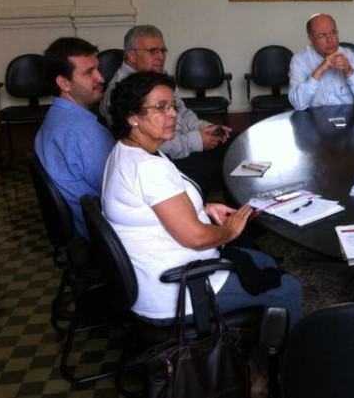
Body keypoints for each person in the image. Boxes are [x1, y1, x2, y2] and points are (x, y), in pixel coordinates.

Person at [101, 71, 302, 328]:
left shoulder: (128, 151)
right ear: (132, 117)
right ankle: (271, 364)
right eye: (160, 107)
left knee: (263, 261)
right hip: (178, 291)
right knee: (289, 289)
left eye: (172, 105)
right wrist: (228, 232)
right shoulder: (147, 168)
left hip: (160, 276)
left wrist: (204, 208)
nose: (173, 114)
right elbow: (195, 237)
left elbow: (156, 207)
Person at [100, 25, 230, 196]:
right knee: (227, 168)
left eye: (163, 50)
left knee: (234, 142)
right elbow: (150, 147)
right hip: (167, 156)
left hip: (183, 143)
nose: (160, 56)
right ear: (131, 55)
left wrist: (205, 128)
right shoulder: (122, 92)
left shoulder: (157, 77)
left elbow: (182, 112)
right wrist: (197, 140)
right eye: (153, 51)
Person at [35, 38, 115, 239]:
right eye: (89, 73)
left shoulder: (54, 118)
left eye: (97, 69)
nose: (101, 78)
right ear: (64, 83)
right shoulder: (83, 132)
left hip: (86, 229)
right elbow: (119, 193)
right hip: (105, 234)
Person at [288, 13, 354, 110]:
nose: (330, 40)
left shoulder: (353, 57)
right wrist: (319, 70)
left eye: (333, 33)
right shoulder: (299, 60)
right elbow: (298, 104)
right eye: (322, 35)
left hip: (349, 118)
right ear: (311, 39)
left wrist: (349, 71)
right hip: (314, 119)